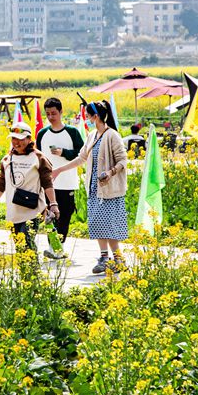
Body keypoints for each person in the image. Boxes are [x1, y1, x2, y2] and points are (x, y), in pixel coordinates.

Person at [52, 100, 128, 275]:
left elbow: (123, 160)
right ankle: (104, 257)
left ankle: (118, 259)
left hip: (109, 189)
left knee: (109, 225)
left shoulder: (112, 135)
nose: (86, 118)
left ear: (96, 116)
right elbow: (81, 158)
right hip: (94, 188)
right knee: (97, 224)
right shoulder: (92, 135)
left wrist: (110, 172)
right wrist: (60, 170)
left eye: (88, 115)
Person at [0, 122, 59, 252]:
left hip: (33, 210)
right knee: (20, 248)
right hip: (14, 211)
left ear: (29, 139)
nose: (16, 142)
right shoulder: (7, 159)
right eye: (13, 138)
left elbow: (47, 183)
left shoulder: (39, 157)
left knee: (27, 244)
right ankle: (27, 271)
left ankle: (33, 272)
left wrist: (53, 203)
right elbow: (0, 185)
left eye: (20, 139)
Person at [35, 97, 85, 258]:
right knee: (49, 216)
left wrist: (64, 152)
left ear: (61, 112)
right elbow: (37, 156)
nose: (51, 117)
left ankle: (58, 247)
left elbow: (82, 154)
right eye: (48, 114)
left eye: (54, 113)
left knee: (64, 216)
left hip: (68, 182)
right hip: (48, 184)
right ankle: (54, 248)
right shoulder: (42, 134)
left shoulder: (72, 132)